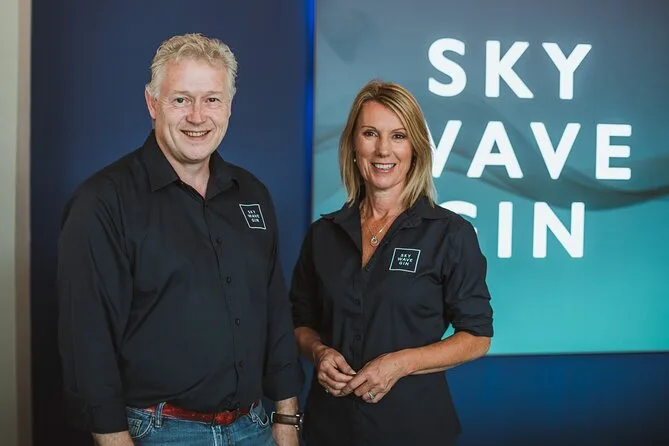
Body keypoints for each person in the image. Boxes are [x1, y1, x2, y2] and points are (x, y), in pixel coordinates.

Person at [57, 33, 304, 446]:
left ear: (229, 106)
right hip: (159, 431)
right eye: (181, 99)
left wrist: (287, 418)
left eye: (212, 99)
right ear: (152, 103)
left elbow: (275, 311)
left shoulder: (252, 194)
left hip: (255, 426)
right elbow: (88, 340)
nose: (197, 116)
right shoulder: (102, 203)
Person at [289, 80, 494, 445]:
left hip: (414, 429)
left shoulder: (450, 233)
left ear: (416, 148)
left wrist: (400, 364)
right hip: (330, 429)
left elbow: (477, 337)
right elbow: (299, 322)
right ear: (354, 145)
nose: (383, 149)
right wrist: (318, 352)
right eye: (370, 133)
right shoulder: (323, 234)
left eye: (398, 136)